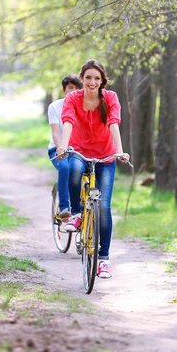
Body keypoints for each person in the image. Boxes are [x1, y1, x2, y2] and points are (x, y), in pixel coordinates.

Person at [56, 59, 130, 279]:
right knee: (74, 169)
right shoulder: (73, 98)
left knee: (104, 207)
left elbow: (113, 123)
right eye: (88, 77)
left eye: (96, 78)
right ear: (82, 79)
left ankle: (104, 259)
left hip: (106, 155)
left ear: (102, 81)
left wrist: (120, 151)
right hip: (79, 150)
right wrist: (63, 145)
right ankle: (77, 213)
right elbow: (68, 121)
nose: (92, 82)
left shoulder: (110, 98)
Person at [47, 74, 83, 218]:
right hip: (57, 148)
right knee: (65, 167)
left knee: (79, 170)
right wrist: (60, 148)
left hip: (78, 150)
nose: (72, 91)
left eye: (76, 88)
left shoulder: (84, 106)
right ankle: (64, 208)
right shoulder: (55, 107)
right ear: (64, 90)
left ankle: (81, 207)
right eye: (70, 88)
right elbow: (56, 132)